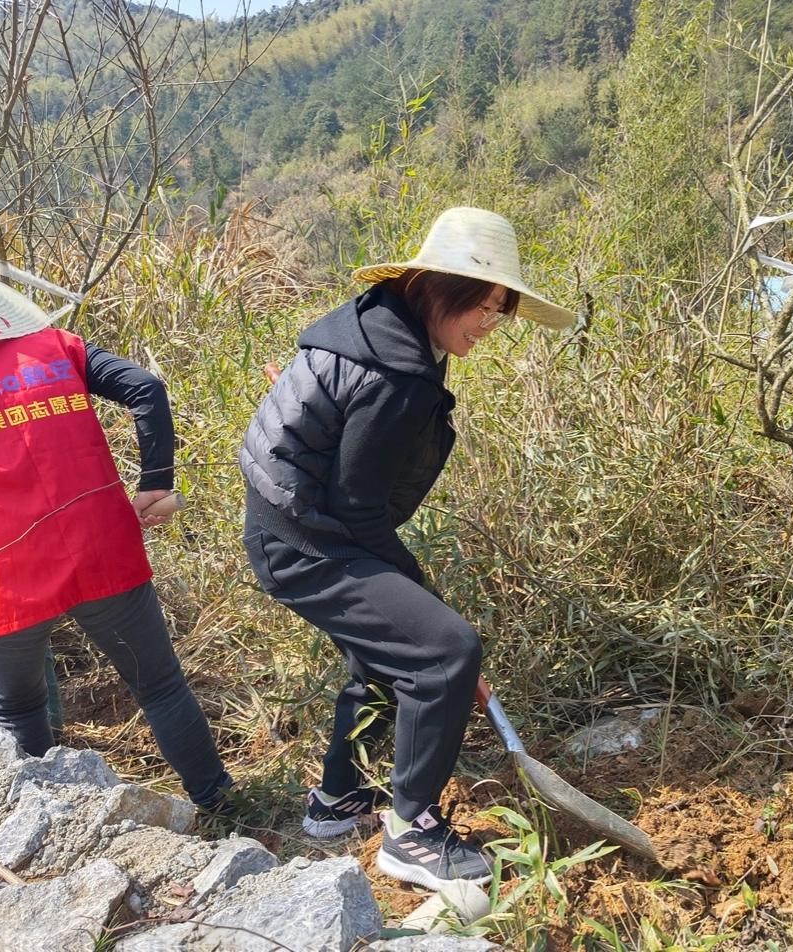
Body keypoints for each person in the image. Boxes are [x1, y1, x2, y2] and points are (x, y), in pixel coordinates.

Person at [240, 206, 574, 889]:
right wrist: (427, 610)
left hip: (290, 522)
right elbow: (358, 511)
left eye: (500, 309)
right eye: (481, 305)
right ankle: (411, 833)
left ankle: (338, 801)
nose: (489, 323)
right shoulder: (396, 372)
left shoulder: (373, 326)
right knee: (444, 651)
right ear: (435, 288)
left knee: (389, 657)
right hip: (304, 538)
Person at [0, 220, 232, 812]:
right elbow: (145, 386)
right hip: (98, 547)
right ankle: (221, 803)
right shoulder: (53, 346)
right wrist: (156, 485)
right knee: (161, 687)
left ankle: (55, 829)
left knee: (18, 712)